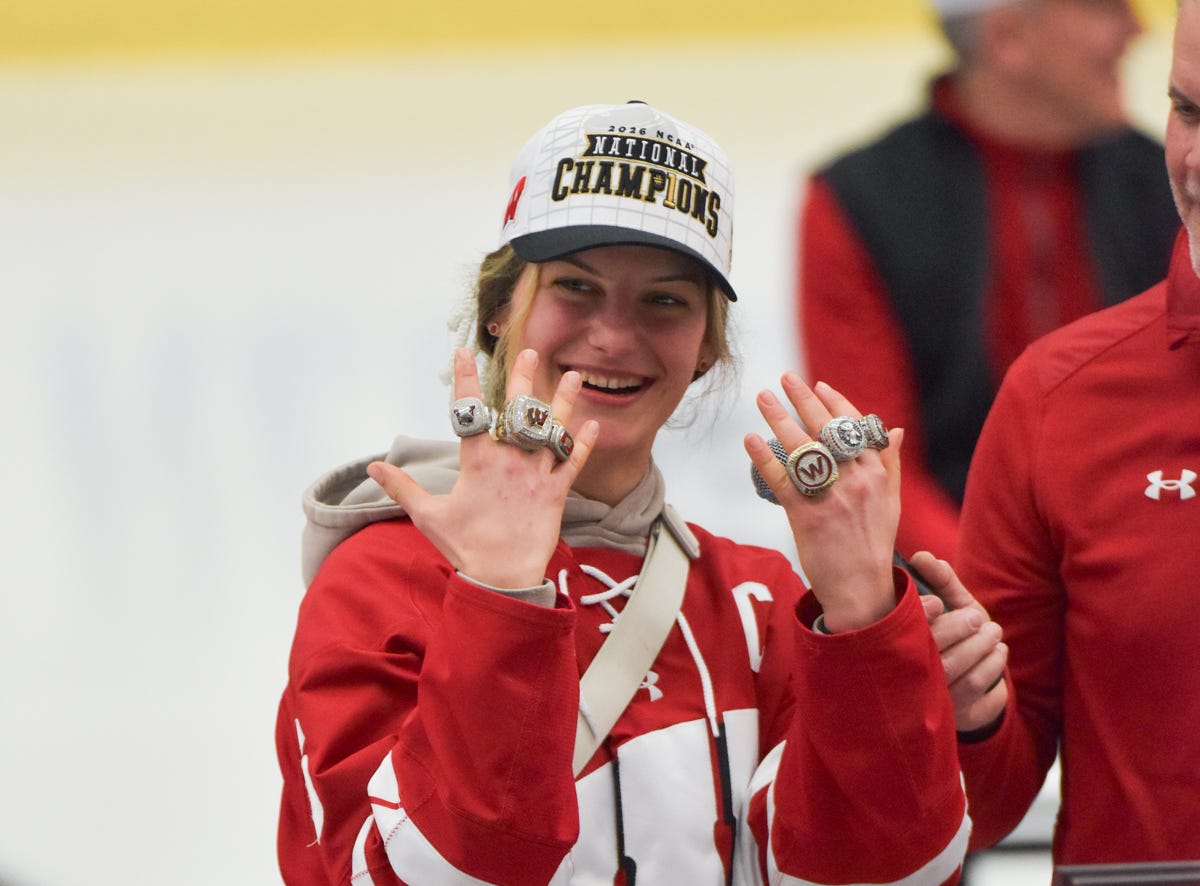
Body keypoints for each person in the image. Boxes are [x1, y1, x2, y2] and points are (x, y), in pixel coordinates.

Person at [274, 100, 971, 885]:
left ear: (707, 345)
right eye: (575, 287)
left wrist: (869, 630)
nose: (612, 335)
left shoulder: (761, 598)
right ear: (500, 311)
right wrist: (501, 600)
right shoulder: (378, 582)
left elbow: (886, 875)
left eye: (665, 300)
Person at [912, 0, 1200, 863]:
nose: (1195, 161)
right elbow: (986, 807)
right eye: (1188, 111)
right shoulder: (1059, 397)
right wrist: (962, 713)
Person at [797, 0, 1180, 562]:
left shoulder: (1172, 183)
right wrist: (998, 592)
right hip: (950, 594)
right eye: (1104, 8)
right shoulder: (858, 201)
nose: (1135, 29)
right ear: (1007, 39)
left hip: (1155, 553)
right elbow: (872, 458)